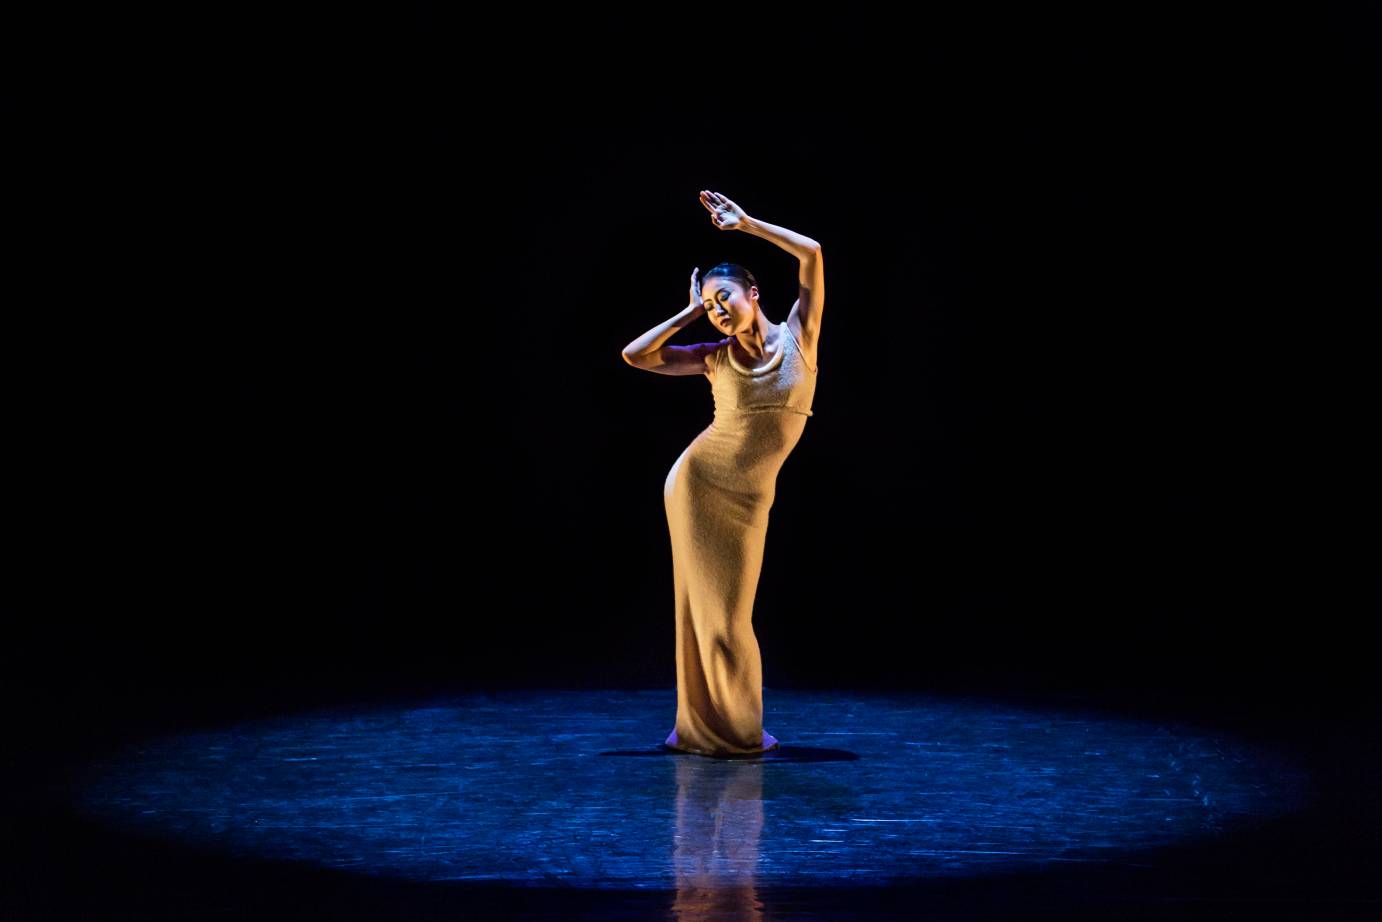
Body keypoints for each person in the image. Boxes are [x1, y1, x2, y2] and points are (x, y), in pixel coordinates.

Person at [621, 190, 824, 757]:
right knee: (716, 616)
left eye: (724, 298)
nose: (717, 311)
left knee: (724, 614)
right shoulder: (714, 354)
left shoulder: (799, 338)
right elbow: (636, 356)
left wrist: (748, 224)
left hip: (751, 498)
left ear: (754, 294)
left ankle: (710, 726)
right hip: (699, 486)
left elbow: (811, 254)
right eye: (710, 306)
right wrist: (688, 313)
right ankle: (731, 733)